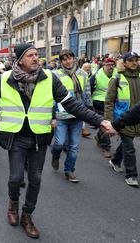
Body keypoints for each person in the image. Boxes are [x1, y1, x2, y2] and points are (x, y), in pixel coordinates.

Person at [0, 44, 110, 238]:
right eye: (30, 55)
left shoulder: (49, 78)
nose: (35, 58)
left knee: (35, 179)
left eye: (36, 54)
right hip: (16, 138)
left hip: (39, 138)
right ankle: (13, 205)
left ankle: (27, 215)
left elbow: (72, 104)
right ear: (20, 59)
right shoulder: (4, 79)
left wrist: (100, 120)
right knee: (15, 178)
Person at [51, 49, 92, 182]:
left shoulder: (83, 75)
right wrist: (52, 117)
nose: (68, 61)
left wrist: (90, 115)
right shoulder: (55, 75)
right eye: (64, 59)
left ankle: (69, 171)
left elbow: (87, 96)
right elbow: (51, 97)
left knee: (73, 147)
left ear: (74, 59)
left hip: (77, 116)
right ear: (61, 62)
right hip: (61, 116)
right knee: (59, 143)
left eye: (70, 58)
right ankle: (55, 155)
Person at [105, 51, 140, 187]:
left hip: (137, 119)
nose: (134, 63)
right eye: (131, 60)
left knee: (127, 143)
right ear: (124, 63)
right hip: (123, 120)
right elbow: (109, 101)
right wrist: (108, 121)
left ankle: (115, 161)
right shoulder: (116, 79)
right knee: (130, 147)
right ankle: (131, 175)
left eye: (136, 60)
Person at [89, 57, 116, 158]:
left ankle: (99, 136)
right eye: (108, 65)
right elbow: (89, 89)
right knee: (106, 123)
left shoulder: (117, 75)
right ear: (103, 65)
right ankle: (106, 147)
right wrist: (90, 105)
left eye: (112, 65)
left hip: (112, 103)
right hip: (99, 102)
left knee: (106, 123)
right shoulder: (96, 76)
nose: (111, 67)